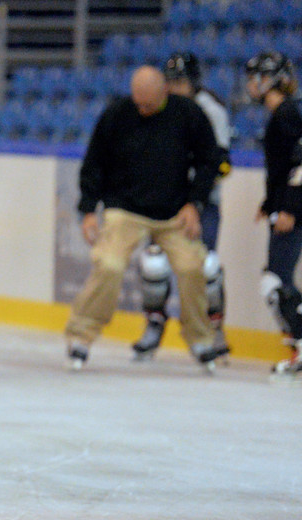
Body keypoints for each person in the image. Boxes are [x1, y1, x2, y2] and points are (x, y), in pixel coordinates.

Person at [65, 66, 220, 372]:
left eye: (148, 104)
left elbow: (208, 160)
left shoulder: (188, 114)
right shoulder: (117, 114)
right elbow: (94, 162)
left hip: (173, 211)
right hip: (125, 209)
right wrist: (87, 210)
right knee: (108, 264)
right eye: (138, 103)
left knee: (192, 267)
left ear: (165, 92)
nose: (142, 109)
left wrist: (195, 203)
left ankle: (201, 338)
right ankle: (81, 335)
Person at [132, 53, 232, 361]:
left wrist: (196, 193)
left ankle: (213, 330)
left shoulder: (210, 110)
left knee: (206, 266)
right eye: (171, 82)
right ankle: (154, 325)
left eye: (180, 83)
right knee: (154, 265)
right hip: (164, 203)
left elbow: (222, 163)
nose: (175, 88)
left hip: (201, 203)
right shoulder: (160, 107)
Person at [244, 51, 302, 377]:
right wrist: (269, 202)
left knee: (274, 282)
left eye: (256, 77)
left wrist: (290, 208)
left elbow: (299, 164)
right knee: (278, 280)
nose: (251, 85)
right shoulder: (282, 113)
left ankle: (300, 344)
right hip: (284, 207)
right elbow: (283, 168)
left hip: (293, 210)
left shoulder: (287, 114)